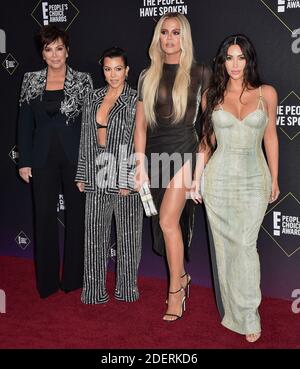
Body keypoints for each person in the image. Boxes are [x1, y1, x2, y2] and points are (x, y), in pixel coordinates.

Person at [191, 34, 280, 342]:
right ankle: (234, 313)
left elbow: (270, 137)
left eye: (240, 57)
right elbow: (206, 143)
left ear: (249, 59)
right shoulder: (211, 96)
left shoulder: (266, 93)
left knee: (245, 245)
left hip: (255, 178)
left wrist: (275, 178)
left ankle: (250, 313)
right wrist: (195, 179)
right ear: (222, 61)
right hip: (219, 180)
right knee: (225, 249)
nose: (235, 64)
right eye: (229, 58)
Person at [134, 12, 211, 321]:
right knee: (164, 226)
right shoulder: (146, 75)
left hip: (185, 151)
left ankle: (175, 293)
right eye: (164, 32)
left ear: (185, 37)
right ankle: (182, 278)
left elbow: (208, 126)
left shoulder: (200, 72)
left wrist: (199, 170)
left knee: (167, 221)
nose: (169, 38)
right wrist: (139, 163)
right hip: (155, 155)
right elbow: (140, 126)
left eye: (176, 32)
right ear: (158, 37)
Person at [18, 25, 93, 298]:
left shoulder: (83, 80)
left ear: (67, 50)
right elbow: (25, 123)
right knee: (44, 218)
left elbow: (88, 126)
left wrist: (87, 163)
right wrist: (24, 161)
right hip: (41, 158)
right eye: (48, 49)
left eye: (59, 48)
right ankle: (47, 283)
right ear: (42, 53)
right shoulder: (30, 80)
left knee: (77, 219)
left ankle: (73, 278)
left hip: (74, 158)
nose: (54, 54)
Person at [76, 47, 143, 304]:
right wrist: (82, 173)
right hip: (95, 173)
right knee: (94, 237)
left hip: (124, 175)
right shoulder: (92, 98)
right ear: (102, 70)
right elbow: (85, 138)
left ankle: (127, 289)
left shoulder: (136, 99)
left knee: (128, 238)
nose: (112, 74)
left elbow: (139, 142)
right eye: (107, 69)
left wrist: (128, 178)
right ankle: (94, 292)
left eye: (118, 69)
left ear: (127, 71)